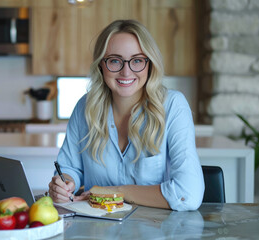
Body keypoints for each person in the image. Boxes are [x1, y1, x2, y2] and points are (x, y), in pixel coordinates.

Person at [48, 19, 204, 211]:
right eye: (115, 60)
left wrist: (117, 191)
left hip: (155, 230)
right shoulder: (84, 107)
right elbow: (70, 168)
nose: (126, 71)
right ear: (101, 66)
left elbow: (187, 195)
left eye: (137, 60)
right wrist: (64, 184)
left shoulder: (172, 106)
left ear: (149, 64)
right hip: (95, 229)